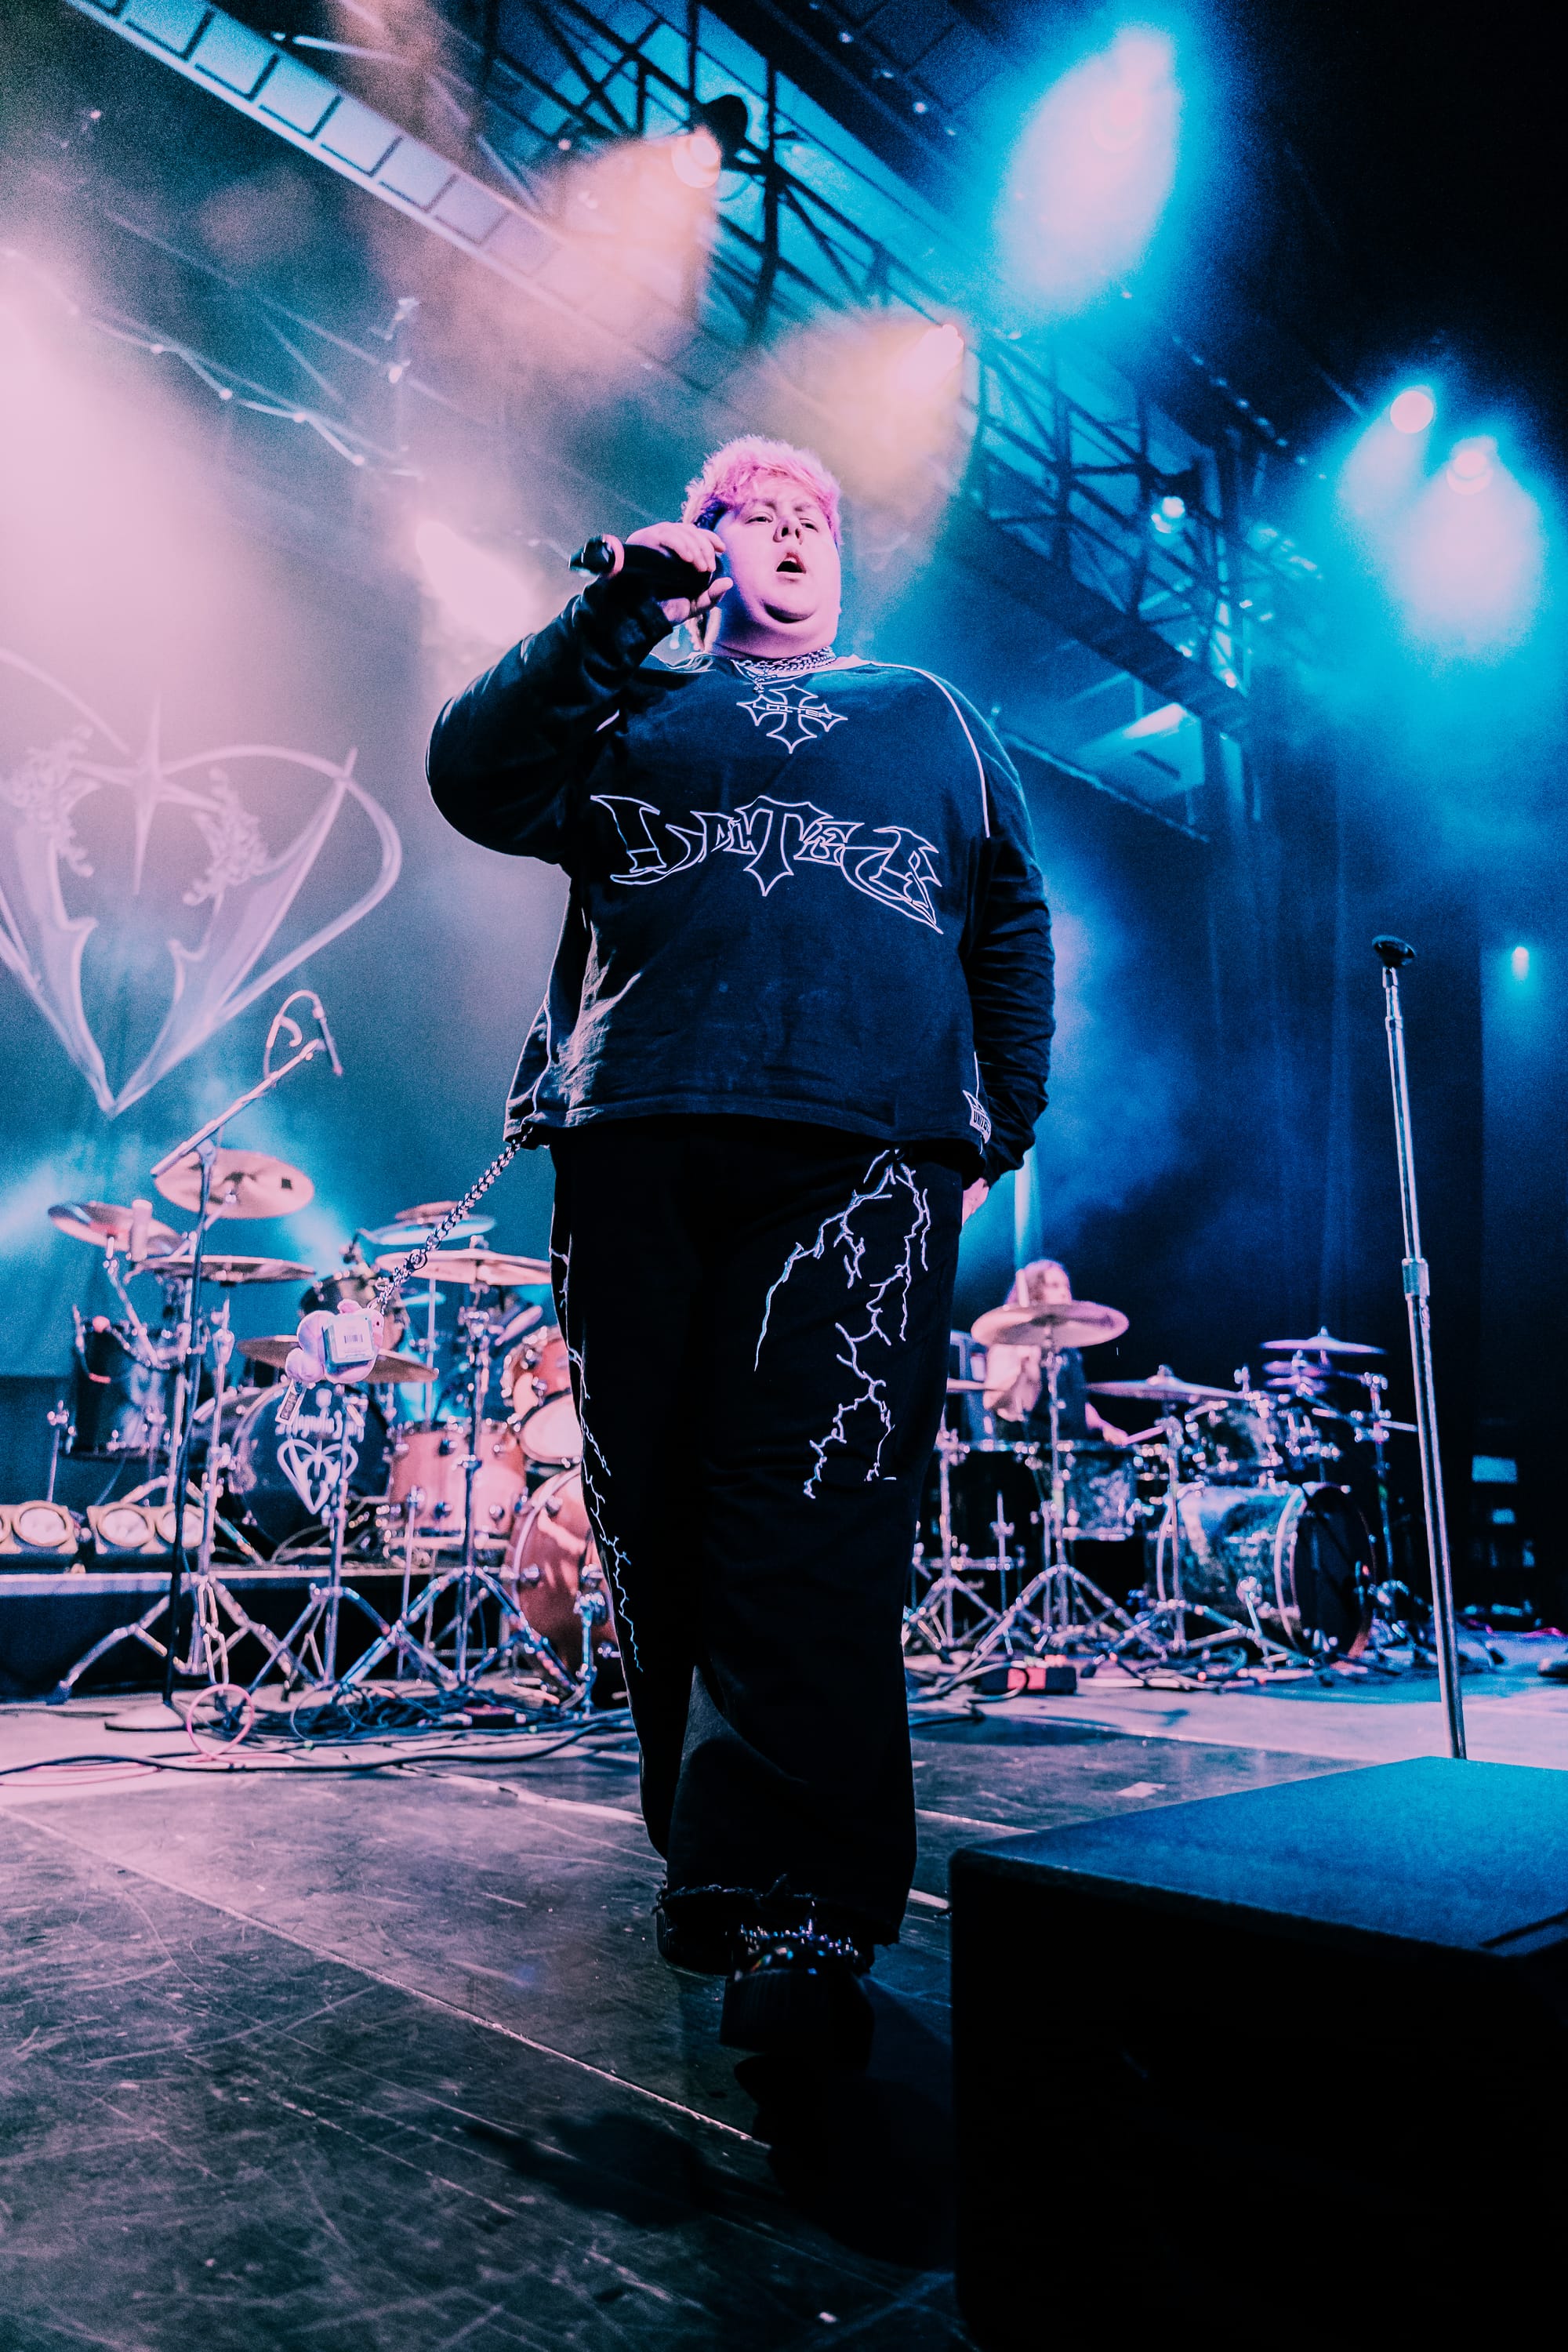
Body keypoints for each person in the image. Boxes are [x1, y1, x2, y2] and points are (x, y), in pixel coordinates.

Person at [425, 434, 1054, 2066]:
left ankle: (801, 1910)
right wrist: (617, 609)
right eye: (750, 517)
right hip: (636, 1127)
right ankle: (714, 1862)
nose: (787, 533)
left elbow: (1009, 913)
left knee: (814, 1513)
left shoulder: (927, 714)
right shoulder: (629, 702)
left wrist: (1000, 1115)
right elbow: (471, 775)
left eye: (809, 521)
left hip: (859, 1146)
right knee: (650, 1516)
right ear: (704, 552)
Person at [982, 1258, 1131, 1446]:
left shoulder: (1068, 1350)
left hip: (1074, 1455)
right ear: (1034, 1294)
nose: (1064, 1293)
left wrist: (1104, 1427)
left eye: (1066, 1286)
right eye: (1054, 1286)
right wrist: (1023, 1371)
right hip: (1034, 1457)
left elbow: (1077, 1406)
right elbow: (994, 1401)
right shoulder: (1011, 1344)